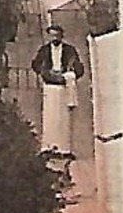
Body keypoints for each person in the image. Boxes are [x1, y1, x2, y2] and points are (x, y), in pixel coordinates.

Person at [32, 24, 85, 164]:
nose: (55, 38)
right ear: (49, 36)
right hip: (49, 87)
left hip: (63, 88)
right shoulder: (44, 51)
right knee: (49, 117)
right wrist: (46, 72)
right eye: (52, 35)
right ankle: (48, 148)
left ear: (62, 36)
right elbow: (35, 65)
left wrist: (69, 74)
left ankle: (64, 149)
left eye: (57, 35)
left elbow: (79, 68)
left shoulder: (70, 51)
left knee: (64, 118)